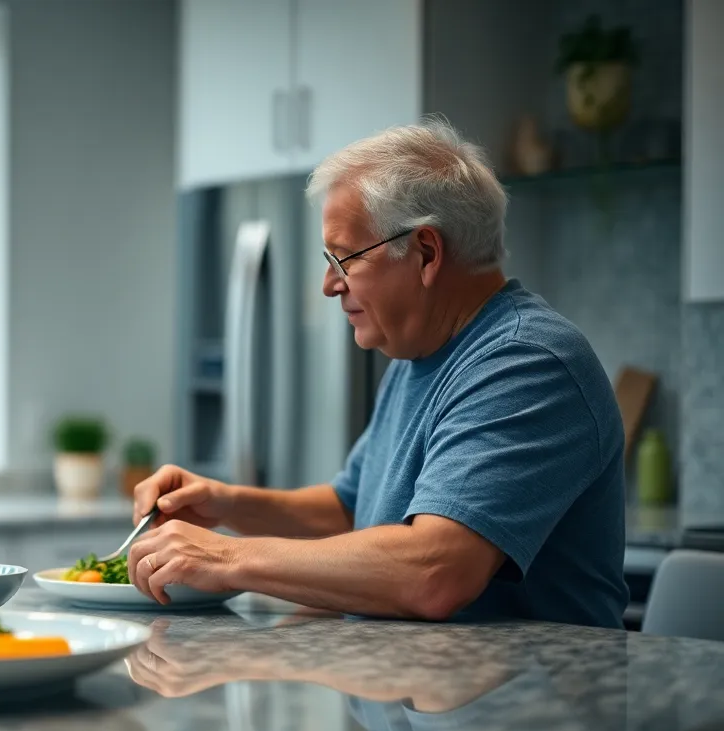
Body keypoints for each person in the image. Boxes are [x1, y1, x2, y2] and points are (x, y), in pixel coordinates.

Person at [128, 118, 629, 628]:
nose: (329, 285)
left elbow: (436, 571)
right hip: (424, 694)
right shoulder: (420, 354)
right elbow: (352, 511)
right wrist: (224, 502)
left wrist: (225, 557)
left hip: (528, 704)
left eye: (344, 259)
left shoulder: (527, 362)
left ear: (426, 253)